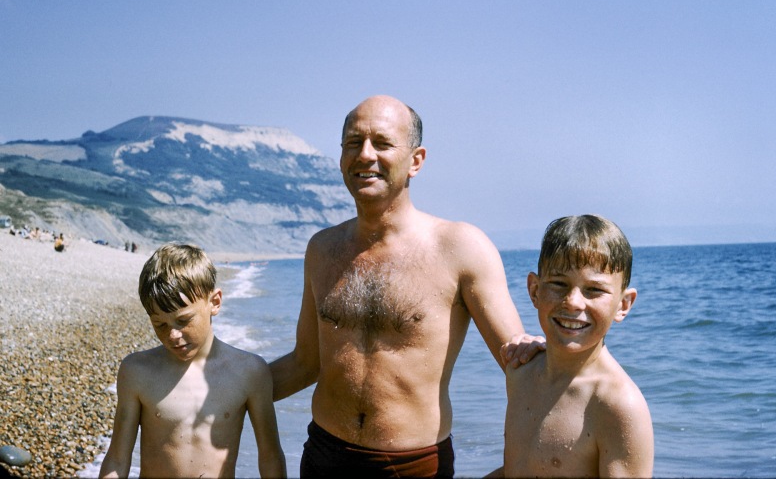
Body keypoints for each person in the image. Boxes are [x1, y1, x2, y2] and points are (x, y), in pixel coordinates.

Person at [269, 95, 543, 477]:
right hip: (323, 456)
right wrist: (221, 386)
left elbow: (518, 362)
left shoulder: (460, 247)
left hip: (413, 466)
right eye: (353, 142)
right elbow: (306, 362)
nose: (365, 155)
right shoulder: (322, 249)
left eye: (382, 143)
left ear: (416, 160)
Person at [99, 243, 286, 478]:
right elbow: (117, 458)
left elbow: (270, 457)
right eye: (160, 325)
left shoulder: (250, 371)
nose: (173, 335)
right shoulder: (137, 371)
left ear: (215, 303)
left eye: (184, 320)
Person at [502, 215, 654, 478]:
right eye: (559, 284)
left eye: (594, 290)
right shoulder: (521, 373)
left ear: (623, 305)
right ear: (534, 290)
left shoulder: (617, 404)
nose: (573, 302)